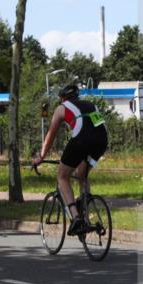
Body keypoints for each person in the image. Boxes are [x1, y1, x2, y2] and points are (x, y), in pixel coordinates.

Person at [32, 83, 108, 234]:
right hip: (101, 140)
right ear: (77, 95)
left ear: (62, 98)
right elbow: (99, 126)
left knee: (62, 175)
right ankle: (86, 216)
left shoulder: (62, 108)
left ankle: (76, 218)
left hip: (81, 139)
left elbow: (50, 135)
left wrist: (41, 157)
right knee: (82, 174)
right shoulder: (91, 105)